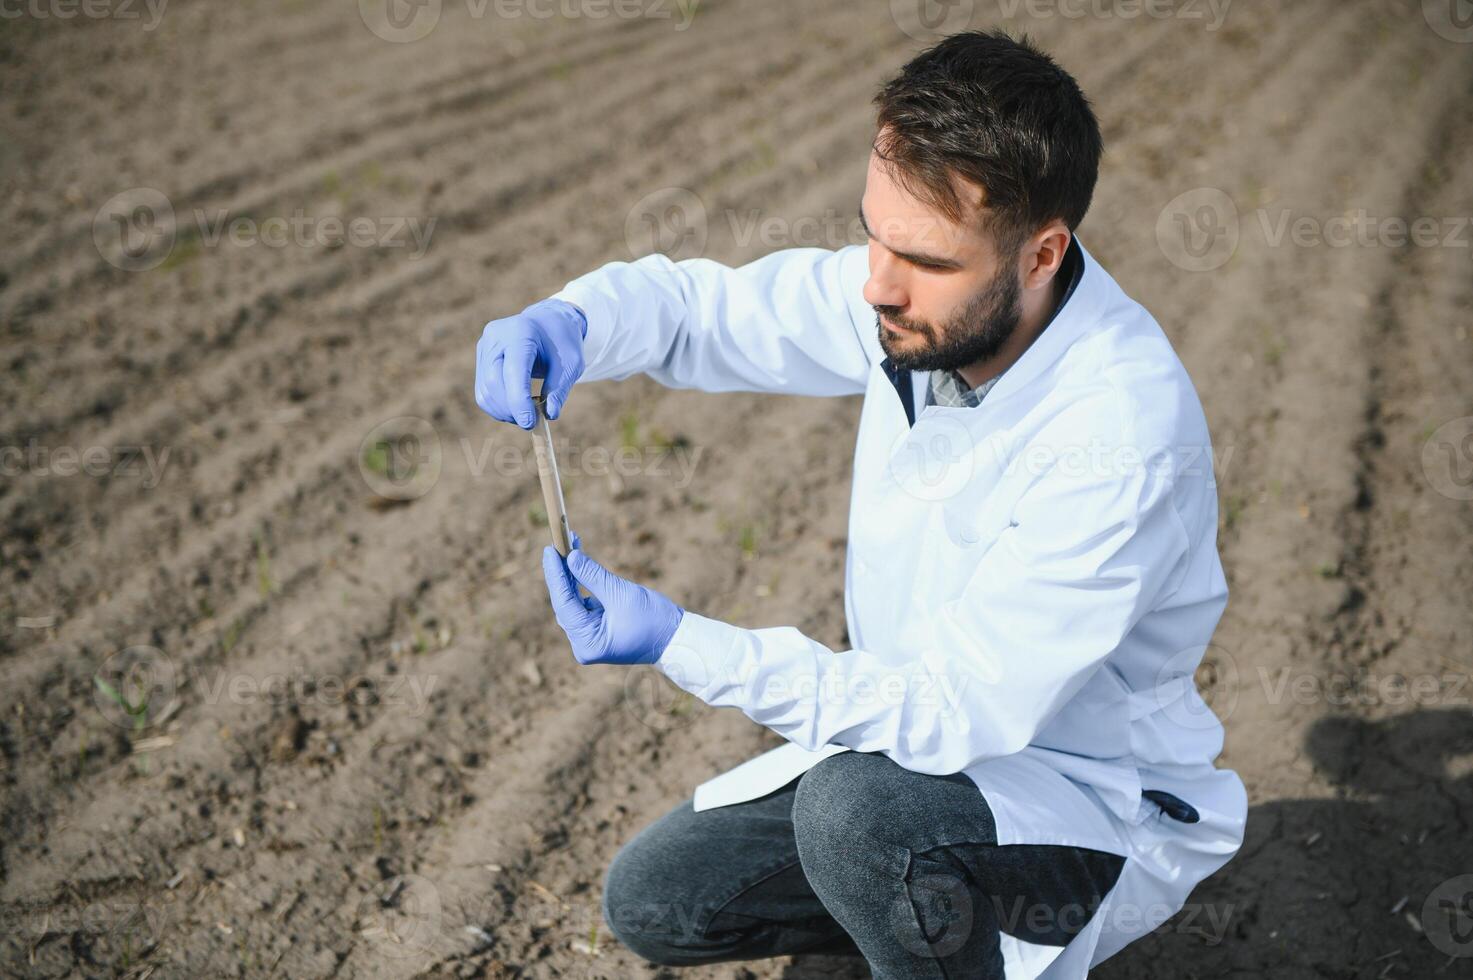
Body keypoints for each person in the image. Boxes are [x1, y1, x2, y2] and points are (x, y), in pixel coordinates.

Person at [474, 29, 1246, 980]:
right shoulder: (922, 302)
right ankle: (917, 922)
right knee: (661, 901)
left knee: (857, 820)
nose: (876, 283)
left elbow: (957, 711)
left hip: (1079, 792)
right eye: (871, 233)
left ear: (1042, 253)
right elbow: (710, 314)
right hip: (907, 752)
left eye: (921, 257)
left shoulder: (1119, 433)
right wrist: (577, 319)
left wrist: (682, 641)